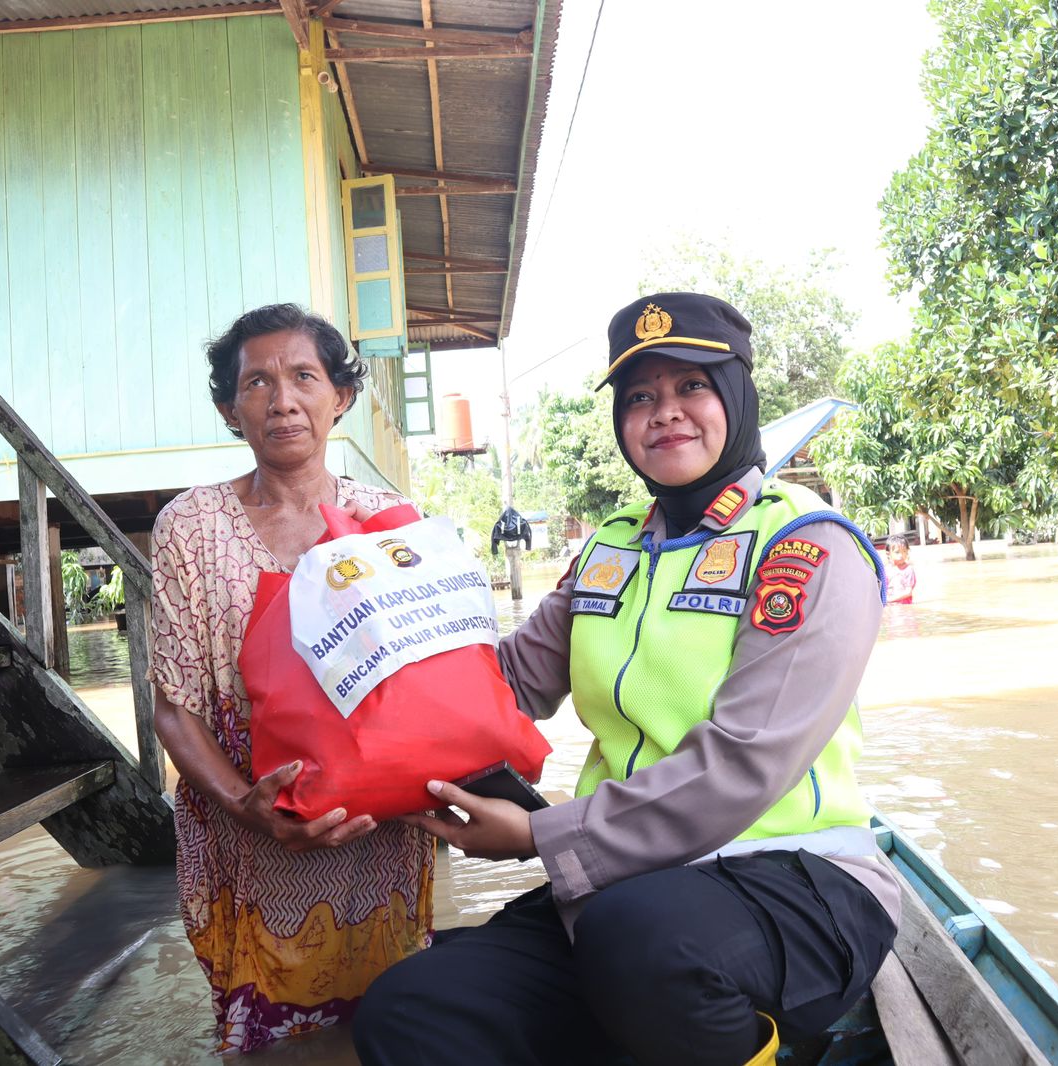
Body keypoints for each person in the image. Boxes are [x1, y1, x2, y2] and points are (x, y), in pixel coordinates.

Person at [353, 293, 899, 1066]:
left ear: (737, 393)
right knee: (411, 1009)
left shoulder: (804, 544)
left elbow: (745, 760)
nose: (665, 413)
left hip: (796, 882)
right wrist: (367, 684)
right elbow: (503, 688)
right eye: (640, 397)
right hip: (626, 893)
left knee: (640, 937)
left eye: (691, 387)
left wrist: (541, 837)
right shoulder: (609, 551)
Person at [148, 304, 434, 1053]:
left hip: (380, 833)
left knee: (397, 1020)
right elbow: (175, 709)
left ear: (340, 396)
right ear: (228, 408)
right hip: (250, 829)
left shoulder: (392, 521)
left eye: (304, 376)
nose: (283, 400)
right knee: (266, 1035)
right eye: (257, 383)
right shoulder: (193, 525)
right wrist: (249, 808)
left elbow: (434, 684)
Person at [885, 535, 917, 605]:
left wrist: (889, 600)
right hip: (890, 606)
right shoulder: (886, 570)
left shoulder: (908, 569)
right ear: (888, 554)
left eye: (904, 551)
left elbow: (908, 592)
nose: (901, 555)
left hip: (904, 607)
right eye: (897, 552)